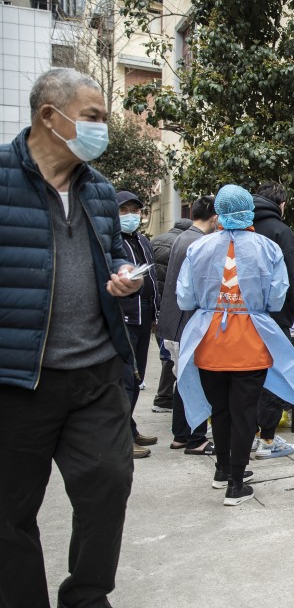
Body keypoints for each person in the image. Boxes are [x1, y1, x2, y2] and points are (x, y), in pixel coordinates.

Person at [0, 67, 140, 608]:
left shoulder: (101, 190)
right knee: (10, 513)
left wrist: (120, 281)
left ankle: (86, 594)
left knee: (108, 485)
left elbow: (110, 258)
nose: (102, 129)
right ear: (48, 117)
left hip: (95, 373)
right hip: (18, 381)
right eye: (94, 116)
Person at [175, 184, 294, 506]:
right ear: (248, 211)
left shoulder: (198, 249)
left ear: (219, 214)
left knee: (221, 411)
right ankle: (236, 484)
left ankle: (222, 471)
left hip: (208, 340)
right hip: (250, 340)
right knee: (244, 415)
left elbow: (184, 297)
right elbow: (276, 297)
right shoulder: (268, 248)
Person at [157, 195, 217, 456]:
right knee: (195, 381)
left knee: (183, 380)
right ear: (215, 217)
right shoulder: (201, 243)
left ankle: (181, 436)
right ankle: (196, 439)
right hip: (189, 321)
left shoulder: (183, 237)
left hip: (174, 320)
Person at [251, 181, 294, 459]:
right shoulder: (281, 232)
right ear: (281, 204)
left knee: (246, 377)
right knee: (273, 377)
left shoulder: (238, 228)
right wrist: (291, 312)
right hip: (274, 319)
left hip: (239, 317)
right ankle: (268, 441)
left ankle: (250, 435)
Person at [115, 190, 160, 459]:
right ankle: (121, 439)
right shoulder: (113, 242)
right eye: (124, 210)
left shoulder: (143, 240)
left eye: (135, 210)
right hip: (125, 317)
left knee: (138, 377)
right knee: (125, 381)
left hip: (144, 318)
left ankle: (129, 428)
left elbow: (152, 278)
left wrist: (154, 315)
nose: (131, 215)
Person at [150, 217, 193, 413]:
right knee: (173, 355)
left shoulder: (155, 241)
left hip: (156, 302)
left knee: (166, 352)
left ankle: (163, 397)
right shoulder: (184, 243)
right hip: (174, 304)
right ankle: (166, 398)